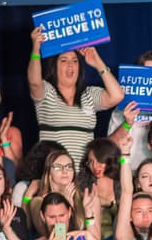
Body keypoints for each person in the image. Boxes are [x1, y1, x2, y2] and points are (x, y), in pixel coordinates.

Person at [27, 30, 124, 164]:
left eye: (75, 61)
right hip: (54, 172)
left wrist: (98, 63)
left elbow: (117, 96)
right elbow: (34, 82)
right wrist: (36, 49)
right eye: (64, 60)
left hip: (83, 172)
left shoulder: (89, 94)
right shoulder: (47, 92)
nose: (70, 65)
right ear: (54, 66)